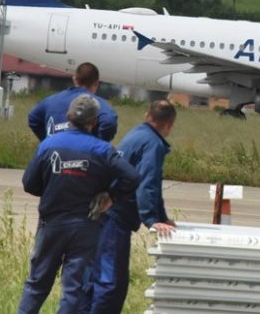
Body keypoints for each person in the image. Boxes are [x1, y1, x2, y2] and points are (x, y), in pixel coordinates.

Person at [18, 94, 140, 314]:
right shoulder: (102, 149)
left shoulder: (48, 145)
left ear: (68, 116)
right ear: (94, 122)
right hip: (86, 226)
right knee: (73, 289)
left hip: (51, 224)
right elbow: (131, 176)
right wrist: (111, 195)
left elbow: (29, 184)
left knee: (37, 284)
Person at [90, 100, 178, 314]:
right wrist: (151, 220)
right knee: (110, 283)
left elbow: (153, 186)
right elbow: (147, 183)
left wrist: (162, 216)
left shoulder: (138, 134)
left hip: (107, 213)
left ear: (148, 115)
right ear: (169, 125)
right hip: (116, 216)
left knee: (103, 278)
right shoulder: (153, 144)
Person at [28, 62, 118, 142]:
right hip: (84, 157)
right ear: (96, 83)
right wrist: (98, 144)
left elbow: (33, 117)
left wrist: (48, 140)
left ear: (74, 79)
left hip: (54, 156)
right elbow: (109, 121)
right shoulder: (97, 103)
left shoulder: (50, 100)